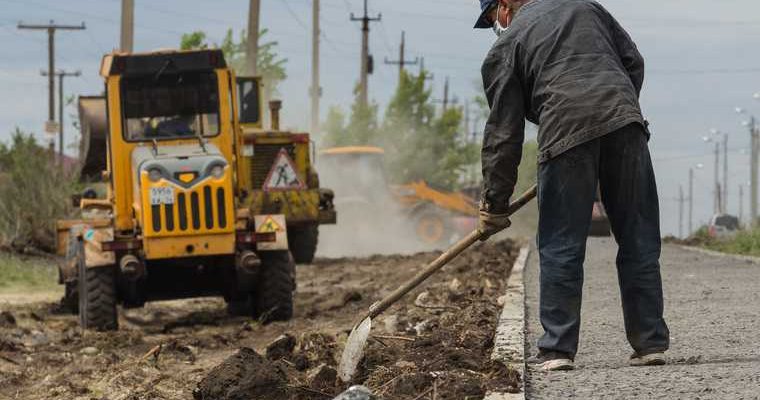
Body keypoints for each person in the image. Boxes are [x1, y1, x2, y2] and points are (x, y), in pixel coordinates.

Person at [473, 0, 670, 371]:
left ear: (503, 7)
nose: (495, 26)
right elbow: (633, 61)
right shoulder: (586, 7)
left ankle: (558, 350)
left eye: (490, 19)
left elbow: (503, 135)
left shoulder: (507, 45)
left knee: (561, 241)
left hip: (565, 131)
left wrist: (493, 205)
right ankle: (650, 344)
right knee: (639, 236)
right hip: (625, 124)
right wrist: (614, 113)